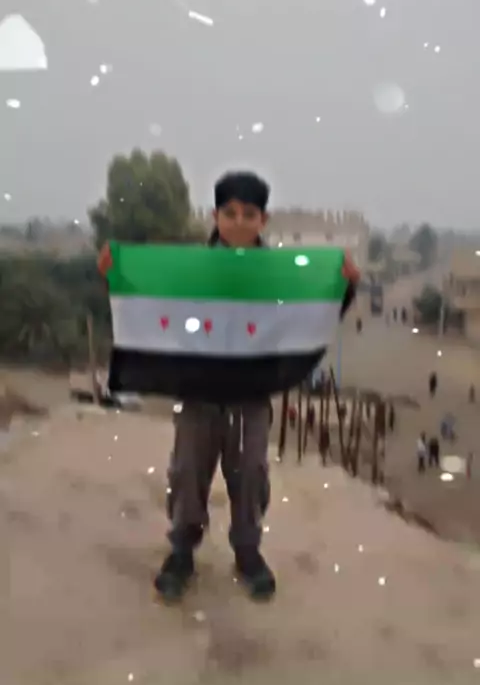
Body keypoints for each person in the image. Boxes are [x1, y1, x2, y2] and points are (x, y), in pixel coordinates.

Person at [98, 172, 359, 602]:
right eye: (230, 213)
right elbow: (151, 300)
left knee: (251, 475)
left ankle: (247, 552)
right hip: (197, 396)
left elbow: (312, 312)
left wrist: (346, 285)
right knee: (187, 473)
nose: (239, 222)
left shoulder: (278, 275)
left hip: (250, 398)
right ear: (216, 216)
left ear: (263, 220)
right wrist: (115, 273)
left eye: (249, 214)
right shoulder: (193, 270)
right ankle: (182, 551)